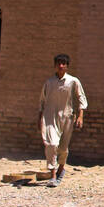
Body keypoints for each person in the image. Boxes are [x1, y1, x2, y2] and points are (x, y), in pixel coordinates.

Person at [38, 54, 86, 187]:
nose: (61, 66)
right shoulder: (49, 82)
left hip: (67, 117)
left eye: (63, 63)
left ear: (67, 66)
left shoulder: (73, 81)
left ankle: (60, 169)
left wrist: (80, 116)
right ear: (55, 65)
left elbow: (81, 98)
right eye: (58, 63)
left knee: (63, 148)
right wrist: (39, 118)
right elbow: (42, 101)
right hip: (49, 117)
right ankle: (53, 175)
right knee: (51, 144)